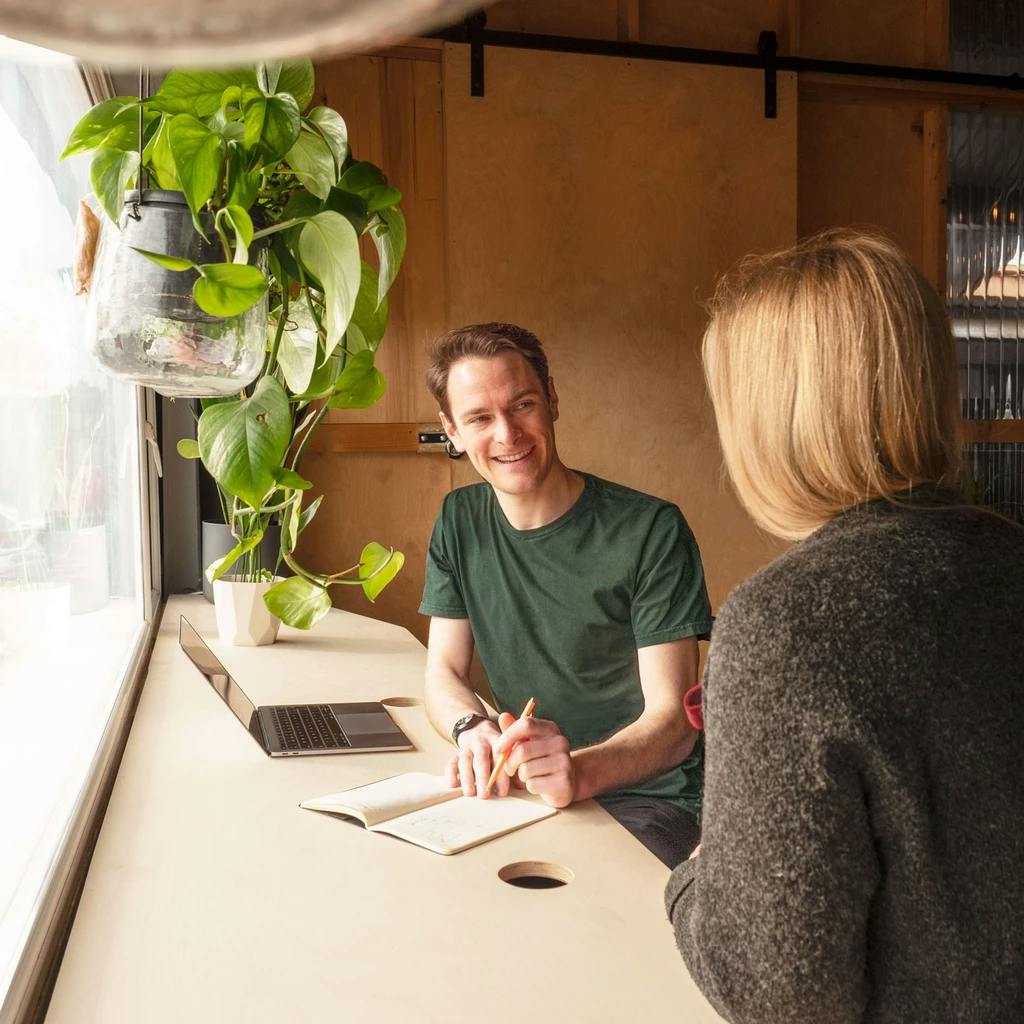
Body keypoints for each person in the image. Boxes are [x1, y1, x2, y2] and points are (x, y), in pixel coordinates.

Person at [666, 229, 1024, 1022]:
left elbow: (782, 994)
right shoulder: (1008, 556)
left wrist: (691, 881)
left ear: (768, 420)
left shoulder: (786, 624)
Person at [418, 322, 712, 867]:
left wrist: (577, 771)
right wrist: (472, 728)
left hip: (648, 802)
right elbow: (443, 674)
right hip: (530, 797)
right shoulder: (458, 521)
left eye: (522, 404)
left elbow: (673, 724)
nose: (507, 434)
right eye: (480, 418)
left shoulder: (651, 530)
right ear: (452, 431)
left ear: (551, 400)